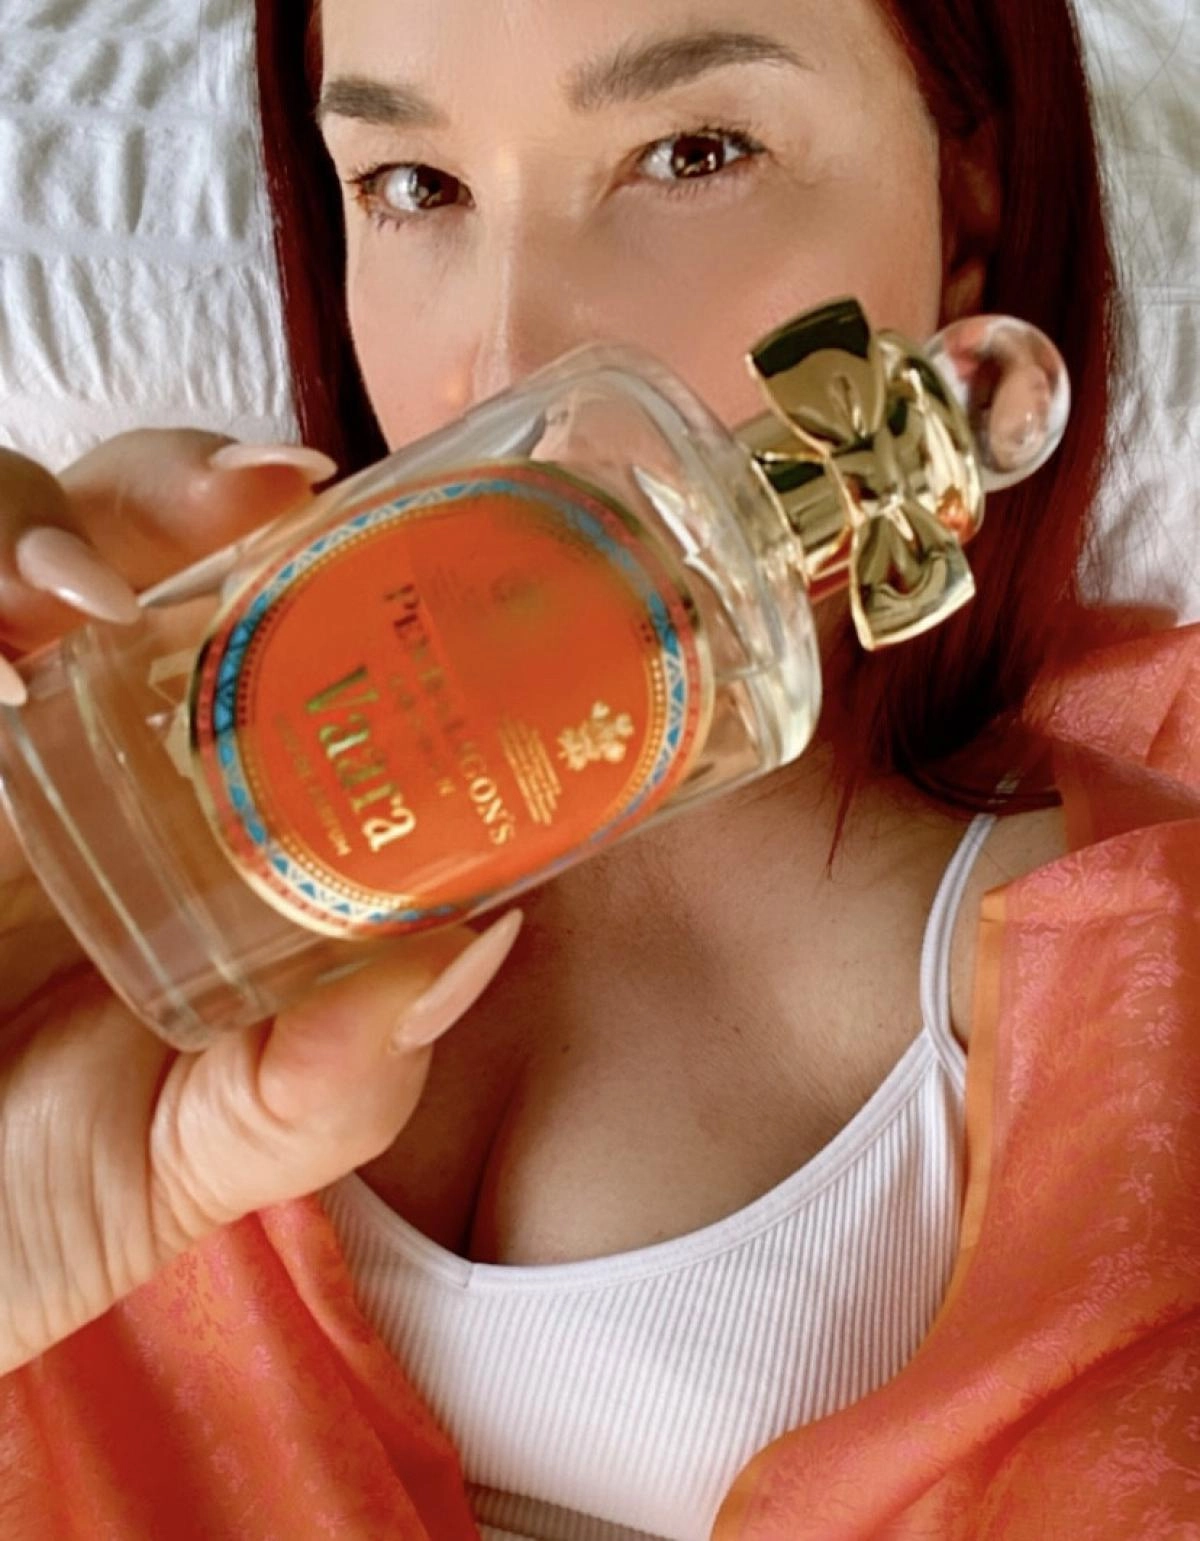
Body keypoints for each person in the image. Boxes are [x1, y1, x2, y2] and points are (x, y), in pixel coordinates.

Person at [1, 1, 1197, 1537]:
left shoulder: (1126, 962)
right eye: (413, 185)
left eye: (694, 153)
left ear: (971, 200)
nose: (506, 355)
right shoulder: (150, 698)